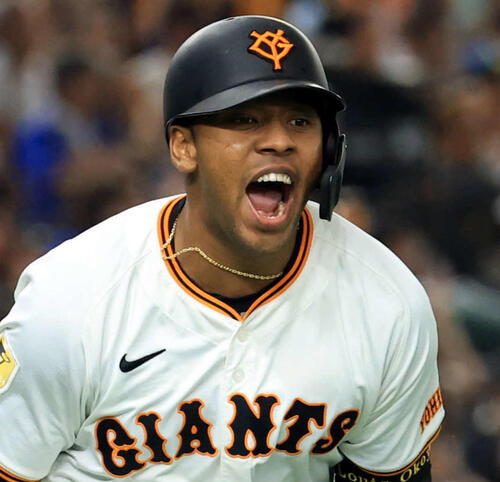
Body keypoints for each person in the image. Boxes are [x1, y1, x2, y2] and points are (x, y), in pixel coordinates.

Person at [0, 15, 444, 481]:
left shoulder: (386, 304)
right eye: (245, 120)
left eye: (300, 121)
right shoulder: (69, 301)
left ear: (329, 150)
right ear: (183, 147)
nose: (279, 141)